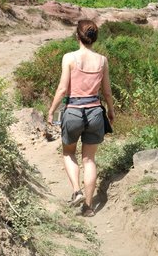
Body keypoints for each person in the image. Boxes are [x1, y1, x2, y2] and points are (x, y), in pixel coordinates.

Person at [48, 20, 115, 217]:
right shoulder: (102, 60)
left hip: (73, 111)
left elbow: (62, 89)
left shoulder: (69, 58)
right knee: (89, 159)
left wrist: (52, 111)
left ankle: (76, 191)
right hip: (95, 111)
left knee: (69, 153)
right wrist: (110, 110)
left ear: (77, 36)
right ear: (94, 38)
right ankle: (88, 207)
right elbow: (108, 92)